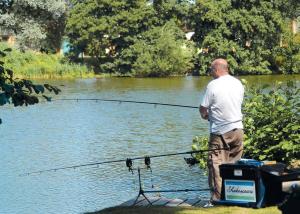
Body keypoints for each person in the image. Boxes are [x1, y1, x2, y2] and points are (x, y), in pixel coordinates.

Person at [199, 58, 244, 207]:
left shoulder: (213, 85)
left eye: (211, 69)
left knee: (216, 165)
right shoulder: (237, 83)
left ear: (218, 69)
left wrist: (206, 116)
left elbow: (203, 109)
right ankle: (234, 196)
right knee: (233, 165)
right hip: (238, 130)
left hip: (220, 132)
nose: (210, 72)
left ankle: (217, 200)